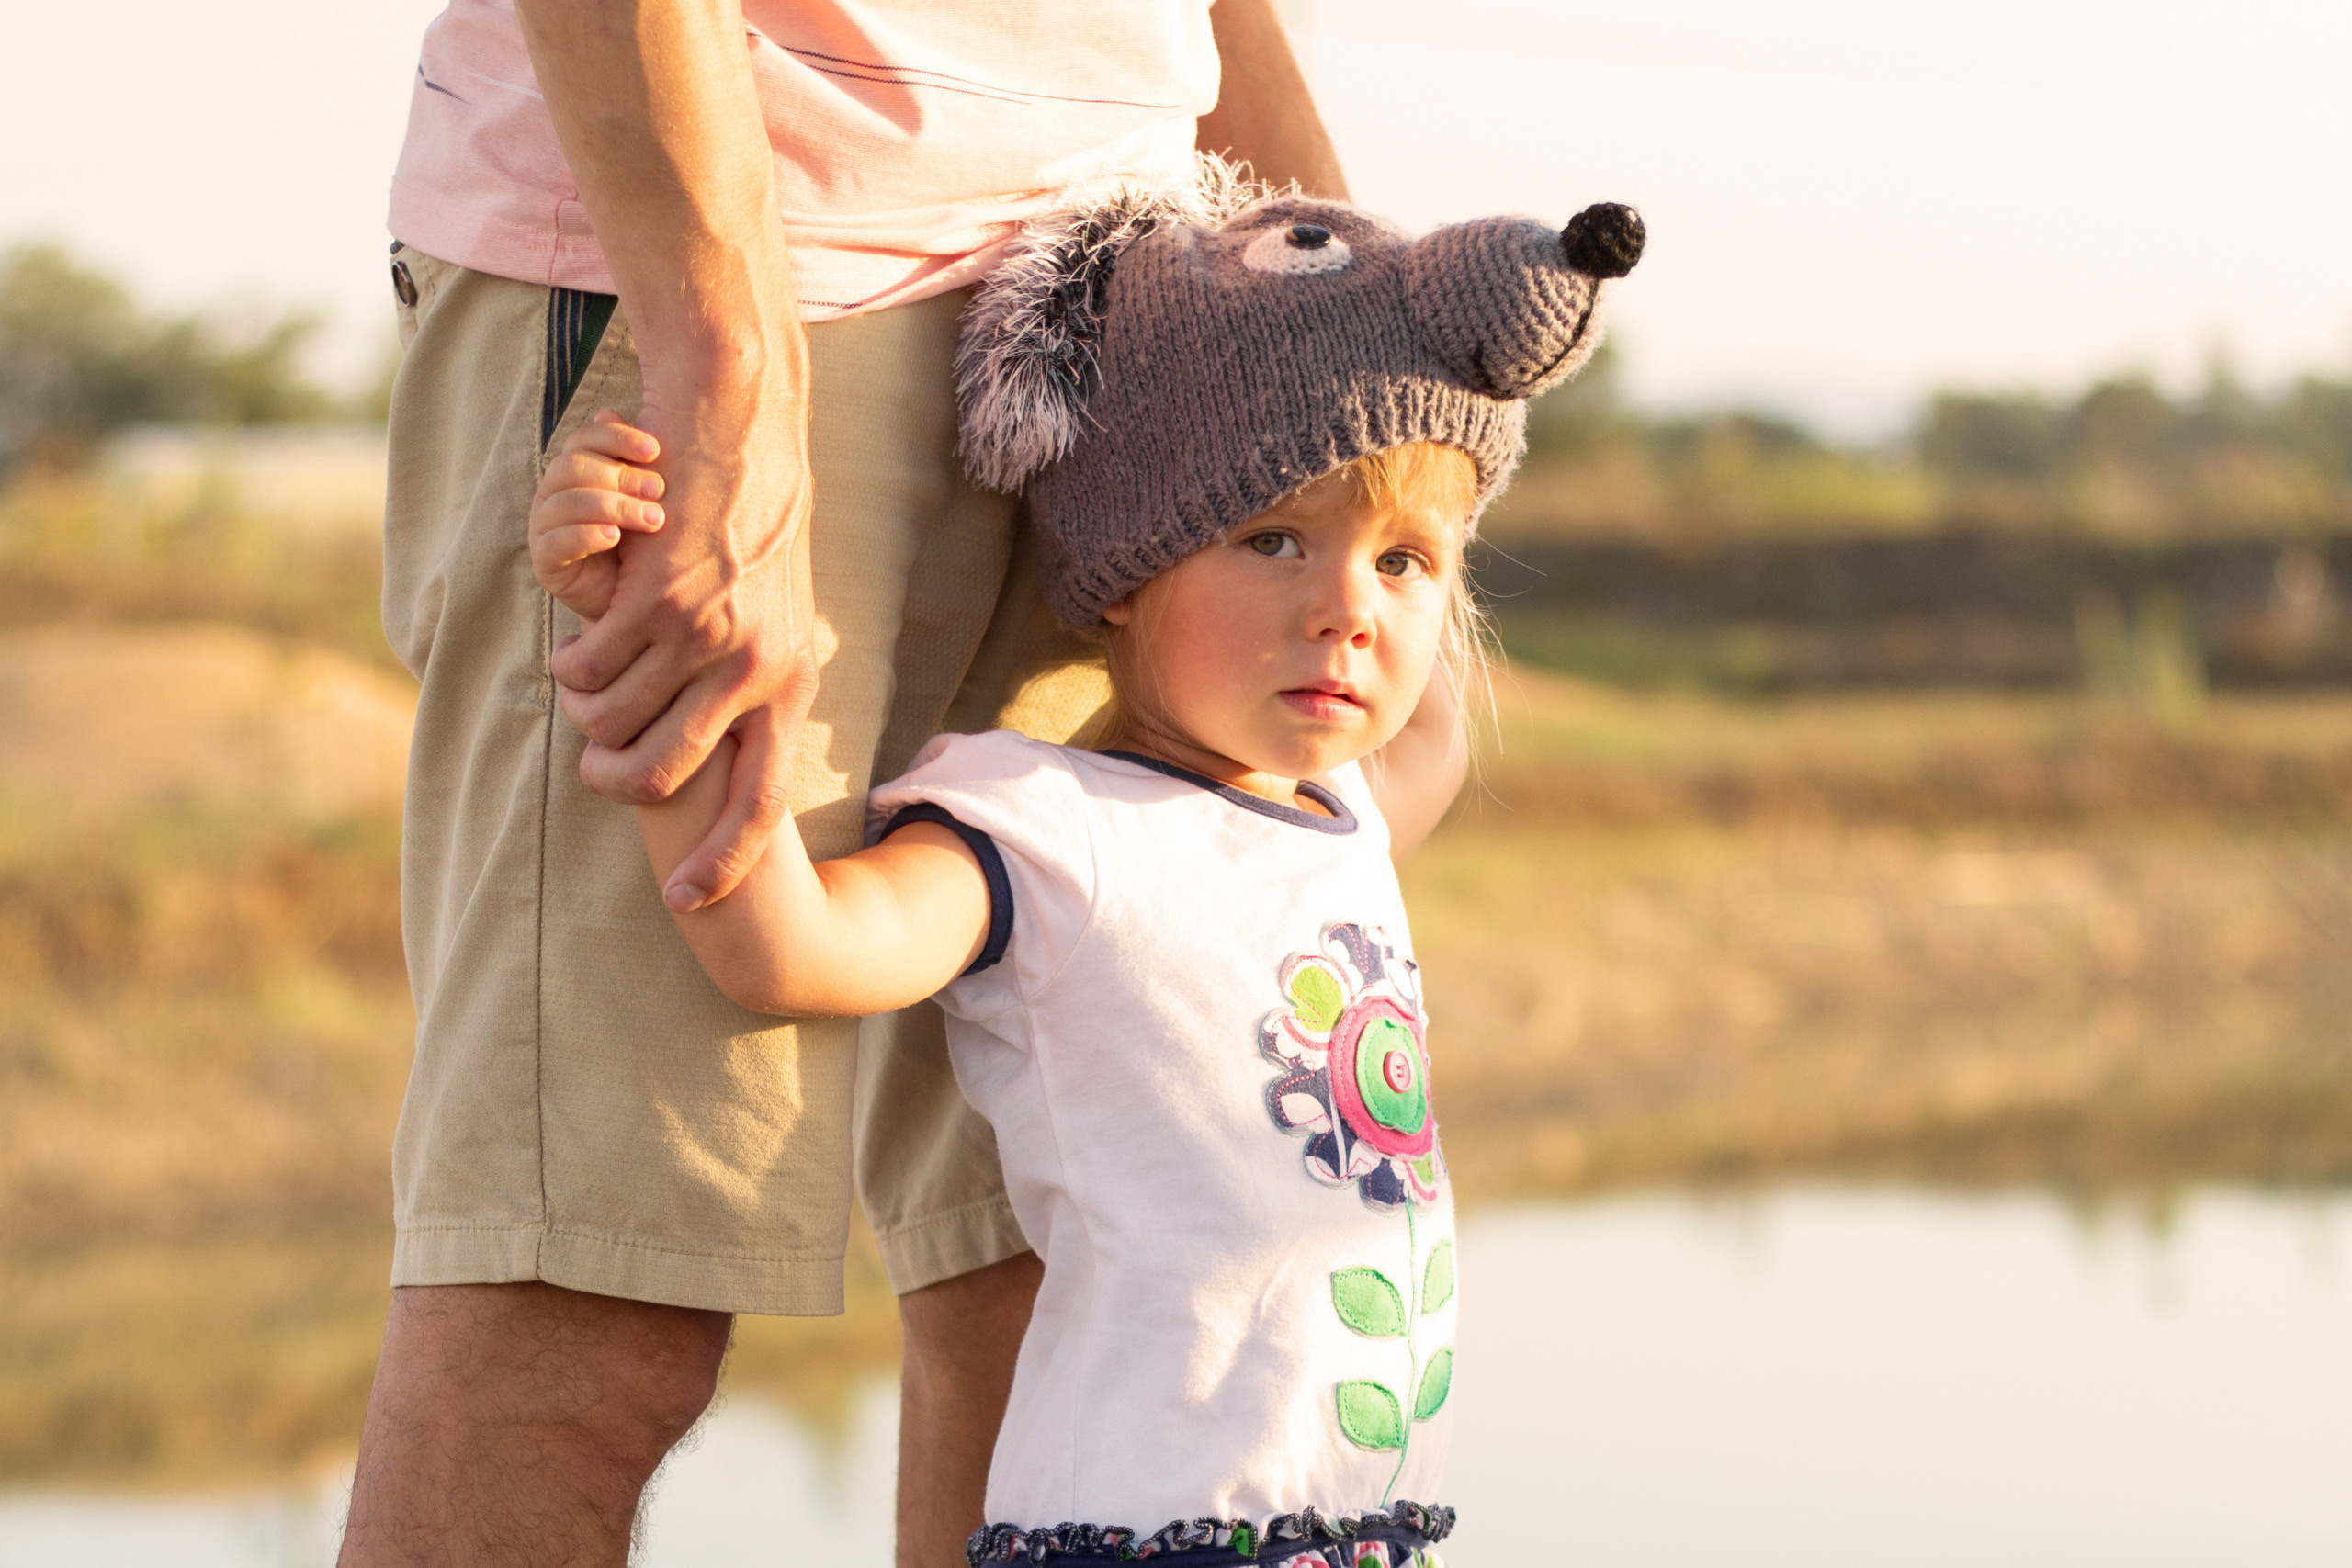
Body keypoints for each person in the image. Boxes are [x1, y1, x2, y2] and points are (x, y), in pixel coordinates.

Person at [345, 3, 1352, 1565]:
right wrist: (716, 351)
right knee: (589, 1300)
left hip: (1131, 311)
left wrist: (1332, 288)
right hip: (730, 268)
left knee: (1073, 1285)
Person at [526, 176, 1645, 1564]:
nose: (1347, 611)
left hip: (1356, 1531)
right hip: (1136, 1538)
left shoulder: (1347, 811)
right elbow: (788, 948)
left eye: (1404, 561)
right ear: (1125, 562)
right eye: (1273, 539)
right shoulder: (1046, 832)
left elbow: (1431, 703)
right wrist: (650, 623)